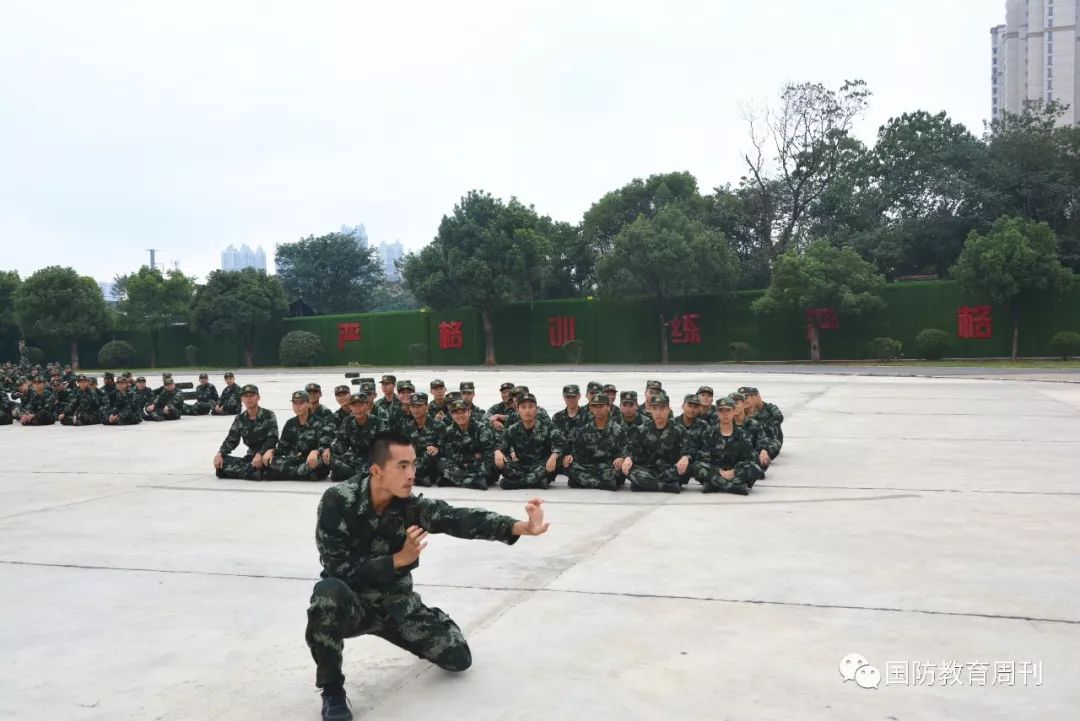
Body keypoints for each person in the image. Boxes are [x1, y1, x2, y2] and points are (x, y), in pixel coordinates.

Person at [305, 431, 550, 721]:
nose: (412, 474)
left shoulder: (409, 506)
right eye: (402, 466)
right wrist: (399, 560)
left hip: (396, 605)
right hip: (353, 605)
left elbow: (457, 518)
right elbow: (338, 568)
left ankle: (431, 620)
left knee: (459, 658)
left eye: (414, 464)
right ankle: (332, 691)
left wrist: (519, 527)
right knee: (326, 594)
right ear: (377, 470)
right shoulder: (338, 501)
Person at [623, 392, 690, 493]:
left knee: (688, 468)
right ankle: (664, 486)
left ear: (668, 410)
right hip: (648, 469)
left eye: (662, 409)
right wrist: (628, 458)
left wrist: (685, 458)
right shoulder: (642, 429)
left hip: (670, 469)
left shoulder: (678, 429)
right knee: (628, 468)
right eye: (655, 409)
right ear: (650, 410)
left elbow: (688, 449)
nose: (658, 413)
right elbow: (631, 449)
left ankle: (644, 485)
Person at [495, 393, 563, 490]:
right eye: (523, 407)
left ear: (536, 409)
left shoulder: (547, 426)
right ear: (518, 410)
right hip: (521, 467)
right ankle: (536, 483)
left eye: (531, 407)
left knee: (558, 458)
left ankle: (516, 483)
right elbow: (501, 444)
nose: (527, 411)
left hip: (541, 466)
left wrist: (554, 455)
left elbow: (561, 443)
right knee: (497, 459)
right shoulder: (513, 429)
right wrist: (498, 452)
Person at [690, 397, 756, 495]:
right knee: (697, 466)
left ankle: (714, 485)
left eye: (728, 410)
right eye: (721, 411)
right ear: (717, 413)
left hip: (735, 472)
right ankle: (735, 486)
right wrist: (718, 472)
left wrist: (734, 471)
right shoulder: (709, 433)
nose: (725, 414)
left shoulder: (743, 434)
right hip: (715, 472)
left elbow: (749, 459)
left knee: (754, 468)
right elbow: (704, 458)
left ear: (734, 411)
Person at [214, 384, 279, 480]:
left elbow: (272, 439)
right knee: (222, 464)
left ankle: (251, 471)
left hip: (266, 455)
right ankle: (251, 471)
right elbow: (231, 439)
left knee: (272, 466)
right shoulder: (240, 418)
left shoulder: (268, 415)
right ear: (242, 399)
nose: (249, 399)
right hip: (250, 456)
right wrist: (220, 454)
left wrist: (260, 454)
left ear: (258, 397)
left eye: (252, 395)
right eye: (246, 396)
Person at [564, 394, 628, 490]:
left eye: (601, 406)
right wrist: (570, 457)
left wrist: (622, 458)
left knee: (618, 471)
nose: (598, 409)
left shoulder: (617, 430)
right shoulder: (585, 429)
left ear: (608, 407)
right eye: (595, 406)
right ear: (591, 409)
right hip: (589, 468)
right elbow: (577, 452)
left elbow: (625, 449)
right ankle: (601, 484)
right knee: (570, 466)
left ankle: (585, 482)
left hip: (608, 468)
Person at [266, 390, 333, 481]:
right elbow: (283, 447)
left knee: (318, 462)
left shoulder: (320, 422)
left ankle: (285, 474)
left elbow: (325, 445)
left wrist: (316, 451)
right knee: (269, 461)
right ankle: (303, 474)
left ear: (309, 404)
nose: (297, 407)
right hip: (295, 460)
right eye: (295, 403)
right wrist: (272, 451)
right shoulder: (290, 423)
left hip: (312, 460)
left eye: (301, 403)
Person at [440, 399, 497, 489]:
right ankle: (472, 482)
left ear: (469, 412)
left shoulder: (481, 429)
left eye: (463, 412)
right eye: (456, 413)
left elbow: (488, 454)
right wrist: (472, 456)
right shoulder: (449, 431)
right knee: (442, 462)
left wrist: (467, 458)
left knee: (488, 467)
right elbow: (448, 455)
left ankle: (455, 479)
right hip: (461, 466)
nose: (460, 416)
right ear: (451, 415)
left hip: (479, 466)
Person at [329, 392, 386, 481]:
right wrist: (330, 451)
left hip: (372, 459)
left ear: (367, 405)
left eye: (360, 405)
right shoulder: (348, 421)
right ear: (350, 407)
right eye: (354, 406)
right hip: (355, 458)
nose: (358, 409)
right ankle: (360, 475)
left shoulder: (378, 422)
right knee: (332, 459)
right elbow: (342, 442)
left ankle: (356, 475)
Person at [399, 392, 444, 486]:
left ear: (426, 407)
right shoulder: (407, 427)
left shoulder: (438, 426)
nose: (416, 409)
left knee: (430, 454)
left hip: (432, 465)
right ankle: (418, 477)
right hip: (413, 463)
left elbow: (445, 447)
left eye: (419, 406)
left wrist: (437, 448)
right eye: (413, 406)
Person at [552, 384, 590, 467]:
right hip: (560, 456)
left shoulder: (588, 417)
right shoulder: (557, 417)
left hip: (581, 458)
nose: (571, 399)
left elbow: (589, 443)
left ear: (579, 396)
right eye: (568, 397)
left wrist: (573, 455)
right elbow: (554, 441)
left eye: (573, 397)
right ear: (564, 397)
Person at [742, 386, 784, 457]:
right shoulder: (743, 412)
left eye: (746, 398)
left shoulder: (769, 408)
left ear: (756, 397)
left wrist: (764, 426)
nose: (744, 401)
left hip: (770, 438)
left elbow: (779, 417)